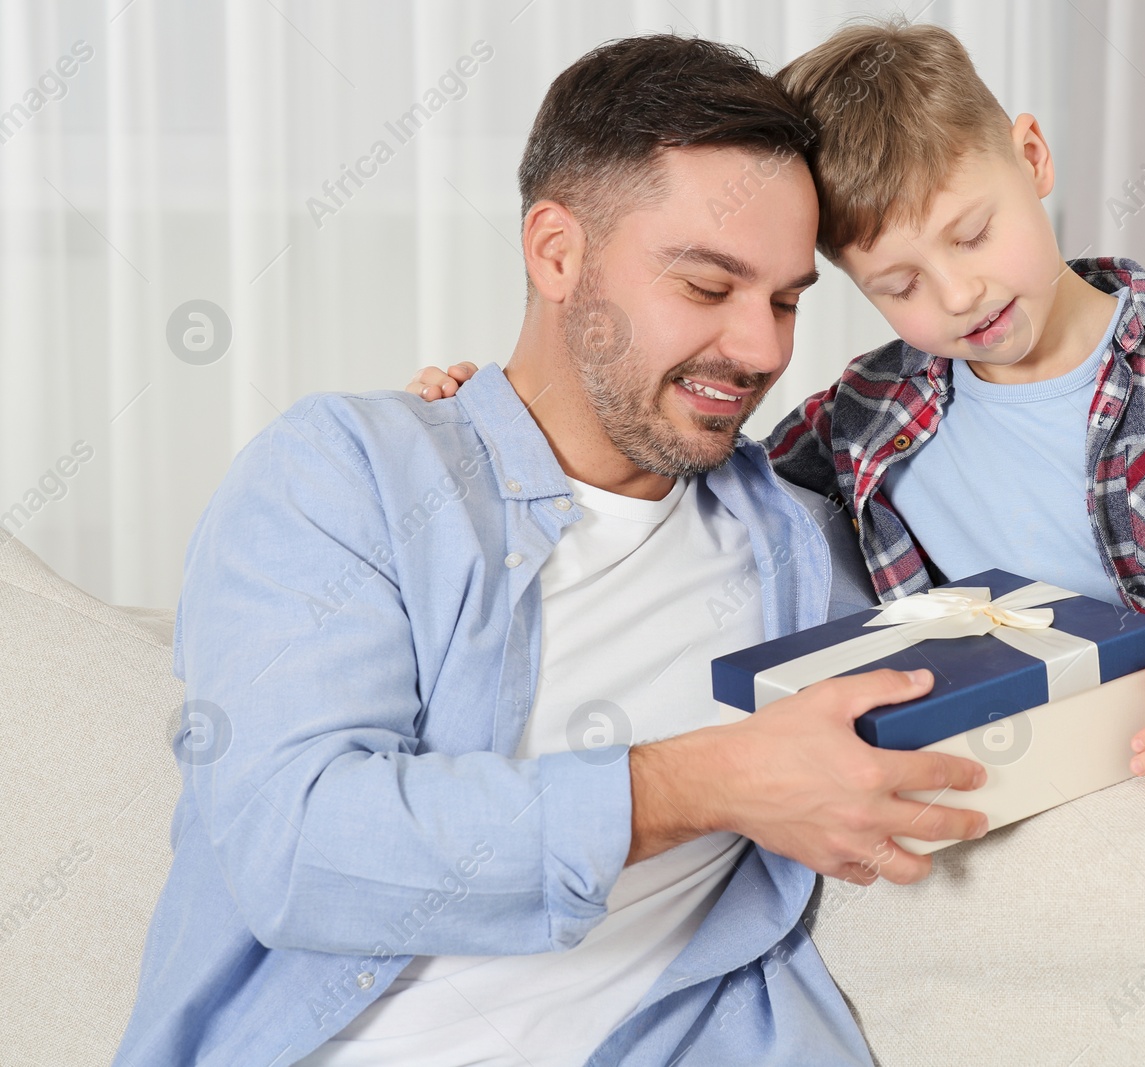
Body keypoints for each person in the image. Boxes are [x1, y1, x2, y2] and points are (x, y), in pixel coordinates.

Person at [114, 35, 992, 1067]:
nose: (762, 349)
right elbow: (299, 847)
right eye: (707, 287)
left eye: (787, 299)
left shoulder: (803, 544)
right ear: (556, 252)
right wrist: (703, 783)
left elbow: (1044, 600)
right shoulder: (347, 473)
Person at [414, 18, 1145, 799]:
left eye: (972, 234)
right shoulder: (872, 406)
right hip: (1000, 773)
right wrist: (503, 412)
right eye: (898, 284)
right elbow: (701, 467)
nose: (958, 296)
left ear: (1033, 157)